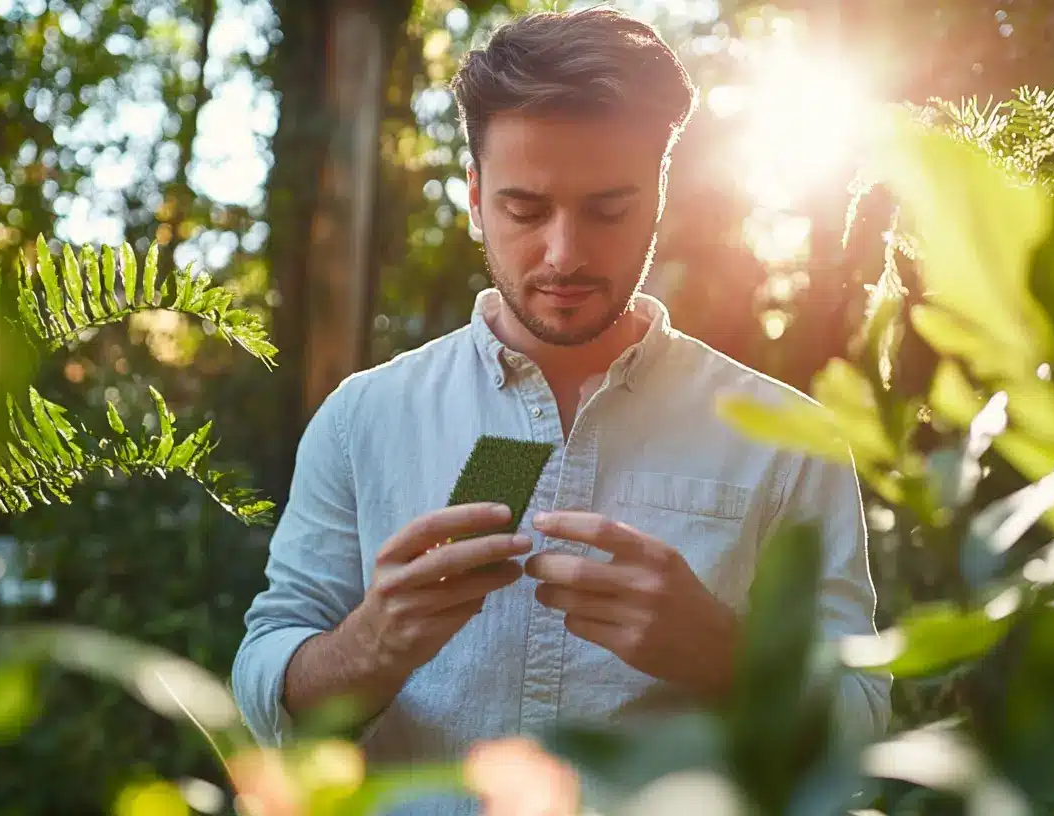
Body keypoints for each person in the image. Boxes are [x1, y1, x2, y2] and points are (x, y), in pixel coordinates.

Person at [232, 6, 891, 813]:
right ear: (474, 198)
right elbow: (266, 698)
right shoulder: (361, 420)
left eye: (608, 210)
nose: (565, 254)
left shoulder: (791, 442)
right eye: (526, 209)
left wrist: (727, 660)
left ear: (657, 196)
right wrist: (371, 645)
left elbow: (860, 733)